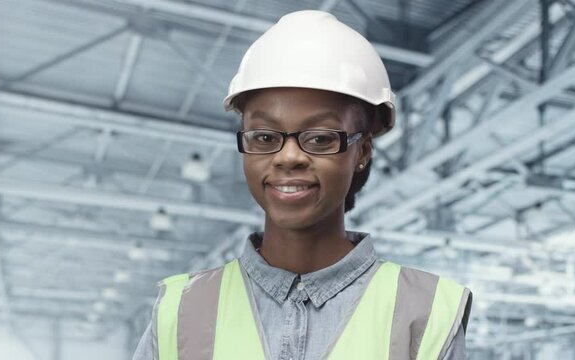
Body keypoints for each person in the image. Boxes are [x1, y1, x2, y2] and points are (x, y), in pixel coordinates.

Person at [133, 10, 471, 360]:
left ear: (362, 151)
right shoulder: (180, 311)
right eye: (264, 136)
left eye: (320, 138)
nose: (288, 157)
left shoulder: (426, 313)